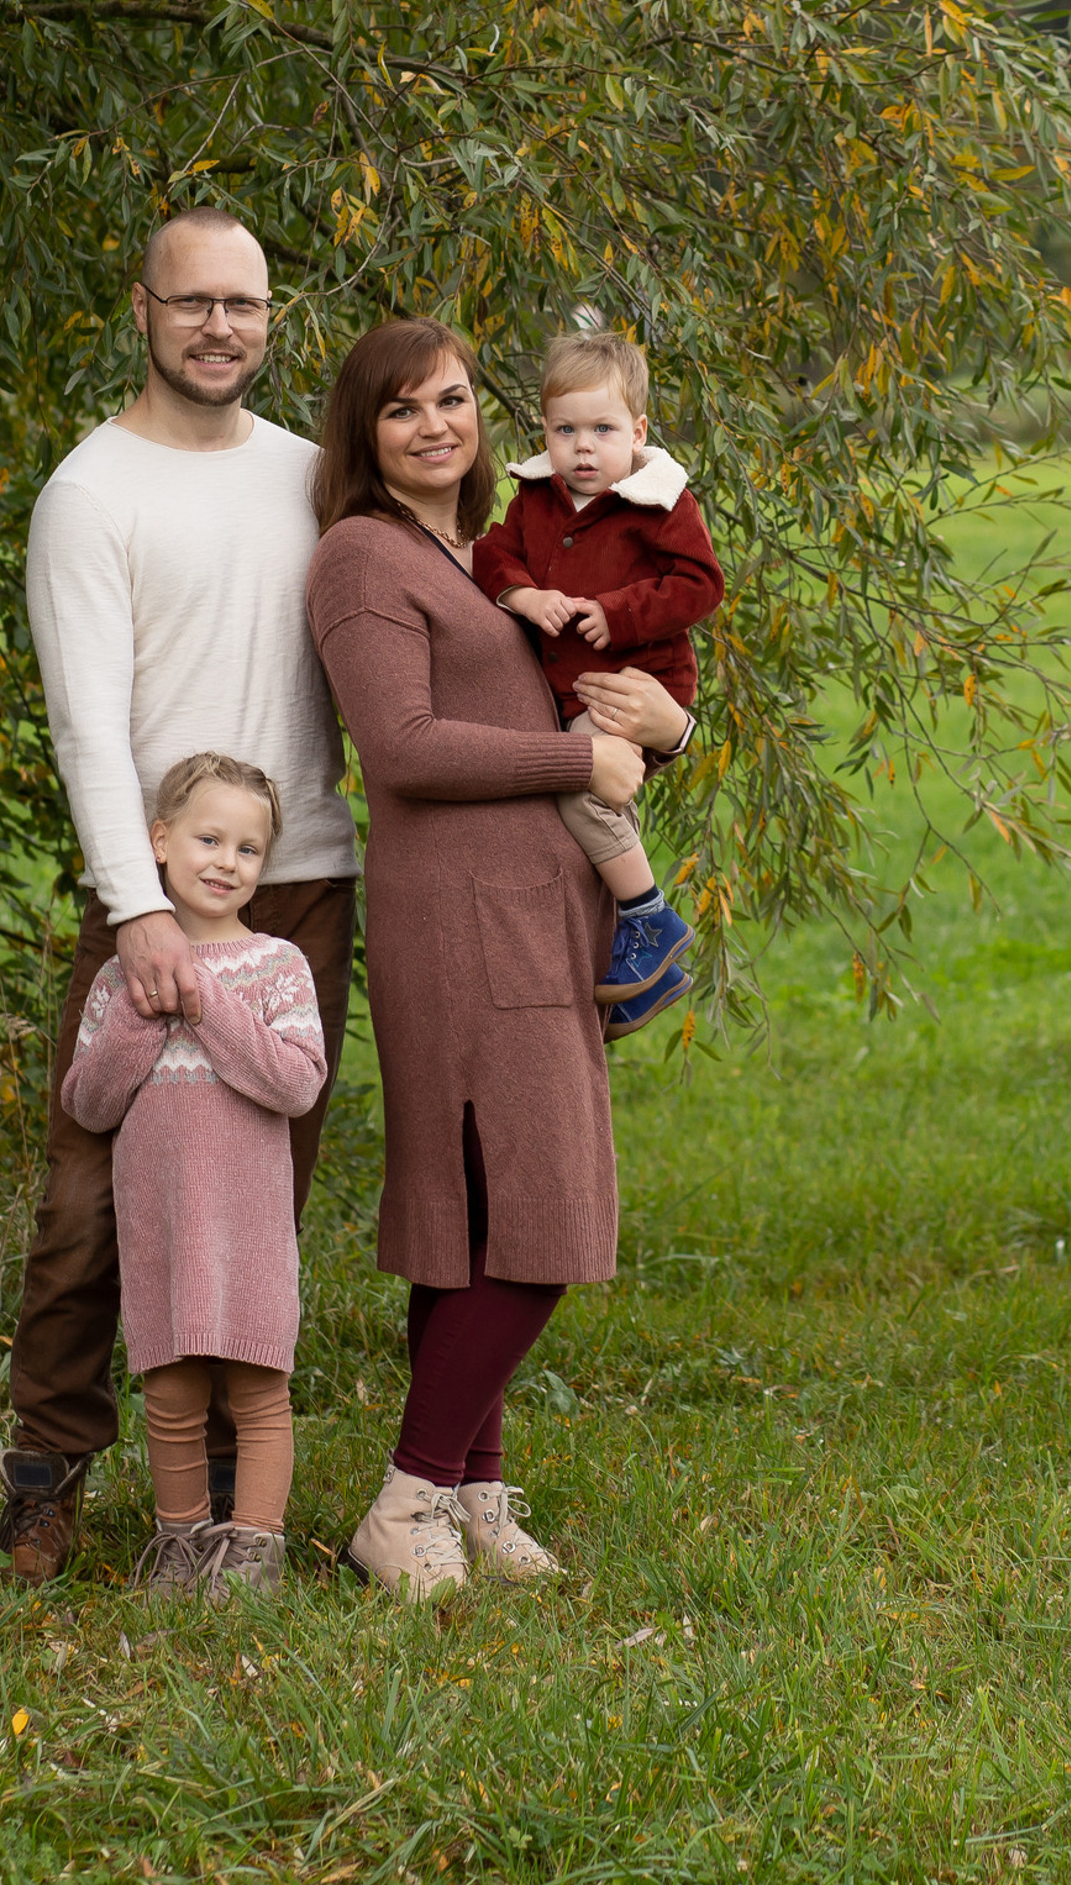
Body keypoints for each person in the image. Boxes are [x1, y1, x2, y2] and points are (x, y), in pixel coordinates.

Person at [303, 317, 691, 1599]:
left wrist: (660, 725)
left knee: (476, 1222)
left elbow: (593, 683)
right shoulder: (365, 557)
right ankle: (407, 1494)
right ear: (364, 433)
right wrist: (576, 760)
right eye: (404, 408)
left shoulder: (484, 553)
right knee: (541, 1208)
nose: (436, 426)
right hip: (460, 924)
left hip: (530, 910)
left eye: (455, 400)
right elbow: (403, 746)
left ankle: (471, 1495)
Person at [0, 210, 359, 1587]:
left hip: (305, 880)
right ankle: (47, 1465)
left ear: (274, 320)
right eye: (195, 301)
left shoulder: (313, 479)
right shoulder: (93, 495)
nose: (222, 326)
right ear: (141, 310)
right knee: (95, 1199)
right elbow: (88, 726)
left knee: (260, 1191)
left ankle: (218, 1503)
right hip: (151, 896)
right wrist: (136, 906)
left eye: (247, 304)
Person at [60, 753, 328, 1600]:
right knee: (170, 1395)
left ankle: (255, 1547)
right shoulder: (120, 976)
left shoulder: (278, 965)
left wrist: (207, 1003)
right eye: (209, 839)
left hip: (248, 1225)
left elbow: (295, 1081)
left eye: (248, 849)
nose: (226, 861)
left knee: (256, 1390)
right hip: (162, 1223)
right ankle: (180, 1543)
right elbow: (90, 1103)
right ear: (160, 843)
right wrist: (149, 1010)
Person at [473, 328, 723, 1035]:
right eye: (566, 430)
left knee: (578, 785)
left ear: (637, 431)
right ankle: (651, 977)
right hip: (573, 691)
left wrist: (618, 615)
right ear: (545, 431)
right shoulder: (537, 501)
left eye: (603, 429)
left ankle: (648, 915)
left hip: (632, 681)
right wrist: (522, 595)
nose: (584, 448)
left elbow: (701, 585)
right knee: (595, 802)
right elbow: (492, 555)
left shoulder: (659, 502)